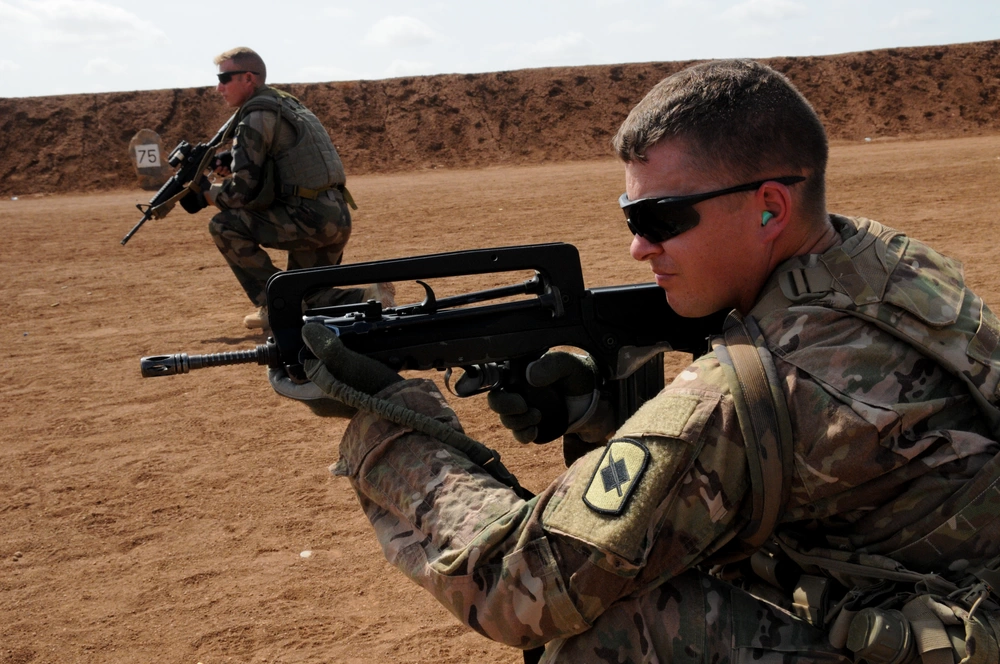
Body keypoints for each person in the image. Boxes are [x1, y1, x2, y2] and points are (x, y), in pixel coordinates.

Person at [273, 59, 1000, 662]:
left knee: (610, 627)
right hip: (962, 594)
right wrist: (599, 404)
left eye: (660, 219)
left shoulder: (745, 393)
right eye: (631, 217)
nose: (637, 247)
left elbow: (519, 588)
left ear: (771, 207)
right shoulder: (890, 262)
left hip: (950, 633)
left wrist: (395, 427)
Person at [204, 46, 393, 330]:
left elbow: (241, 193)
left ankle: (273, 301)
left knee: (223, 225)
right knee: (308, 294)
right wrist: (232, 160)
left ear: (248, 78)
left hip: (307, 219)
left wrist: (207, 194)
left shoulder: (253, 118)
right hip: (336, 216)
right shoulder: (288, 106)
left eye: (225, 78)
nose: (219, 88)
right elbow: (287, 160)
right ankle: (370, 297)